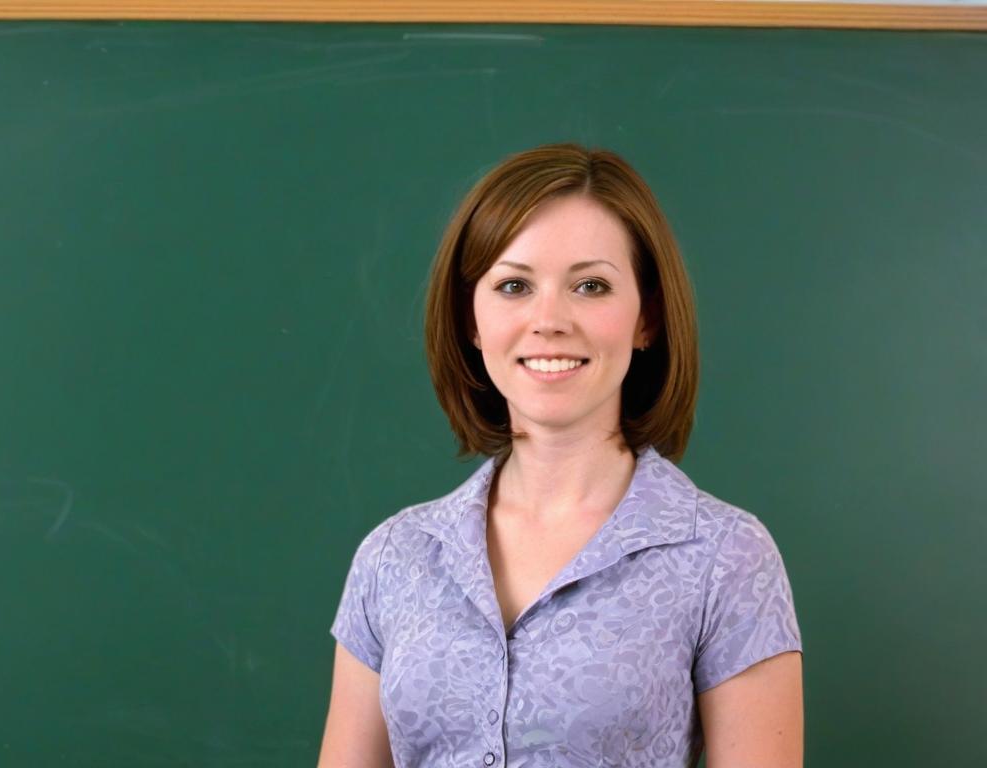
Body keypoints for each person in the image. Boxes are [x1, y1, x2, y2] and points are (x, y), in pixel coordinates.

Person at [317, 143, 803, 768]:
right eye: (514, 285)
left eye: (591, 286)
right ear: (472, 319)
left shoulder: (724, 557)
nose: (549, 320)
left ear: (646, 318)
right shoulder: (395, 557)